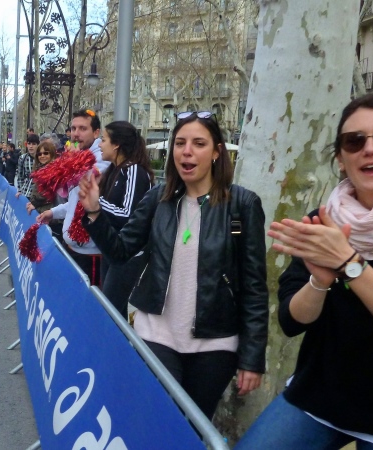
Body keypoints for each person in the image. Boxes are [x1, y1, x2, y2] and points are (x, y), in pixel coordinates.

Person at [236, 93, 373, 449]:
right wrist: (319, 281)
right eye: (354, 141)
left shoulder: (336, 245)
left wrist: (348, 262)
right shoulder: (322, 222)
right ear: (341, 159)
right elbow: (291, 321)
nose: (370, 149)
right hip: (319, 395)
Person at [78, 110, 268, 419]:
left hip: (215, 344)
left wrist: (252, 357)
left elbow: (253, 285)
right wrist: (95, 213)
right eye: (180, 143)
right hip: (157, 335)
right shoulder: (159, 200)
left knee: (193, 428)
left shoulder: (241, 207)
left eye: (199, 143)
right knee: (160, 419)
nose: (187, 151)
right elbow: (121, 252)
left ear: (217, 152)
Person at [36, 109, 111, 286]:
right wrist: (53, 212)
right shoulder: (77, 154)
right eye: (73, 128)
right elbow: (74, 200)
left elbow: (85, 181)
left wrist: (70, 163)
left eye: (83, 129)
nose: (76, 134)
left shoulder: (102, 156)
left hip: (90, 252)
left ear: (96, 133)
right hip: (72, 246)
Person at [96, 121, 155, 319]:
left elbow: (127, 214)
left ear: (116, 145)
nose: (100, 145)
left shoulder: (134, 171)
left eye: (104, 140)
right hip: (111, 248)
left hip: (128, 254)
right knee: (115, 313)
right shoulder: (114, 170)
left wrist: (96, 202)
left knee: (109, 312)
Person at [25, 140, 63, 239]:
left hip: (52, 216)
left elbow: (48, 192)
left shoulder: (55, 170)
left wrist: (34, 203)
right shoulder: (40, 169)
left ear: (52, 154)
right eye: (39, 154)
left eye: (46, 153)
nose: (42, 156)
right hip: (43, 213)